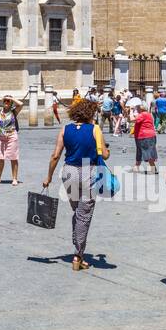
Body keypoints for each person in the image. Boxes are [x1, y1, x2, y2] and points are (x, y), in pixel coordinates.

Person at [42, 99, 106, 271]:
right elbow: (105, 155)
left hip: (69, 171)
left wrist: (48, 177)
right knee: (84, 215)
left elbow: (55, 155)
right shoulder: (95, 129)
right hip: (89, 172)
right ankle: (78, 254)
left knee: (78, 211)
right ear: (90, 113)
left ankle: (79, 250)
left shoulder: (65, 129)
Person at [0, 96, 22, 185]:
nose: (6, 102)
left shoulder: (13, 111)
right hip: (1, 138)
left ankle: (14, 178)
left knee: (13, 158)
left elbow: (21, 104)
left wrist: (12, 98)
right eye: (5, 101)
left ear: (11, 103)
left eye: (8, 101)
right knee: (0, 158)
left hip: (12, 137)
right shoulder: (0, 112)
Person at [132, 102, 158, 173]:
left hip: (144, 136)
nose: (137, 109)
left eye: (137, 107)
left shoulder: (142, 115)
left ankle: (153, 168)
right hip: (150, 135)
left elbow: (133, 120)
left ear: (141, 108)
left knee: (147, 152)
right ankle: (136, 166)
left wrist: (131, 112)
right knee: (141, 151)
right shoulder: (148, 114)